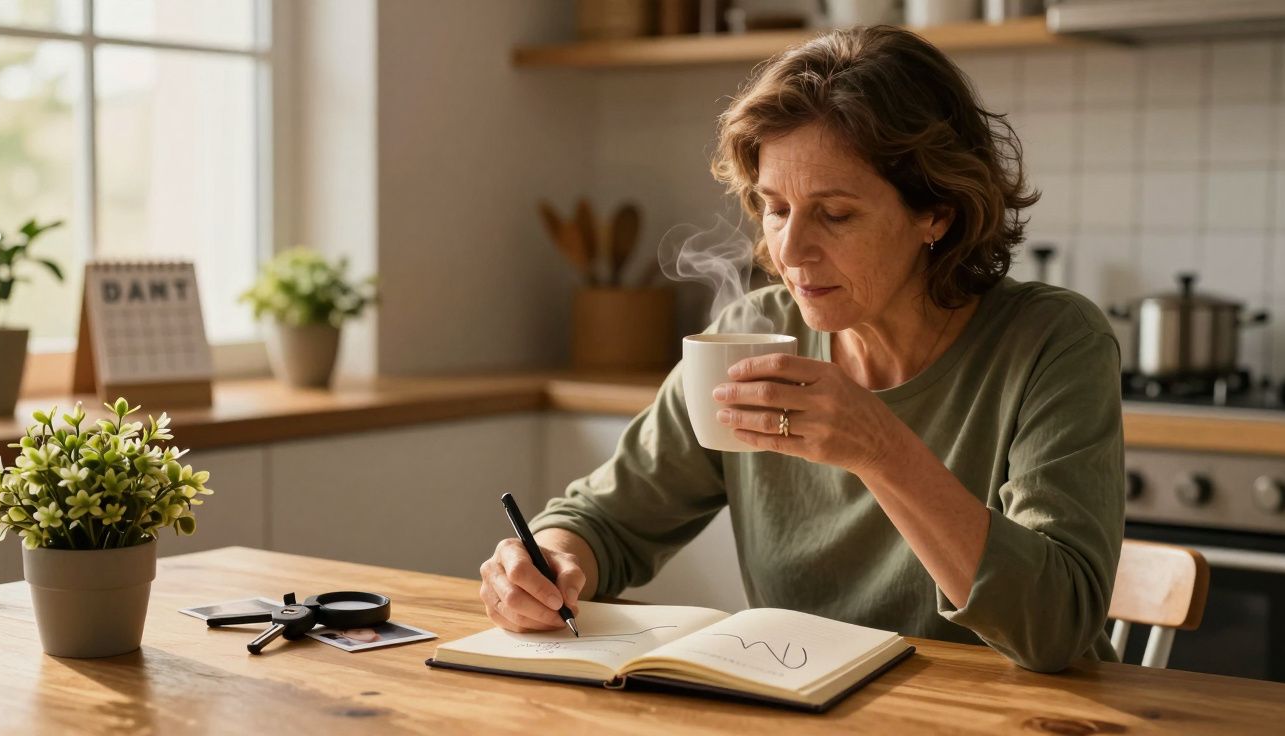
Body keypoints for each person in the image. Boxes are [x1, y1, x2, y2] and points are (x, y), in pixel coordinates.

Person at [479, 25, 1124, 672]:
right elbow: (606, 519)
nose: (788, 251)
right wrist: (550, 561)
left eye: (835, 214)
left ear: (937, 214)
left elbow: (1058, 627)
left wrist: (880, 447)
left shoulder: (1053, 344)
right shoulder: (750, 335)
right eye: (775, 207)